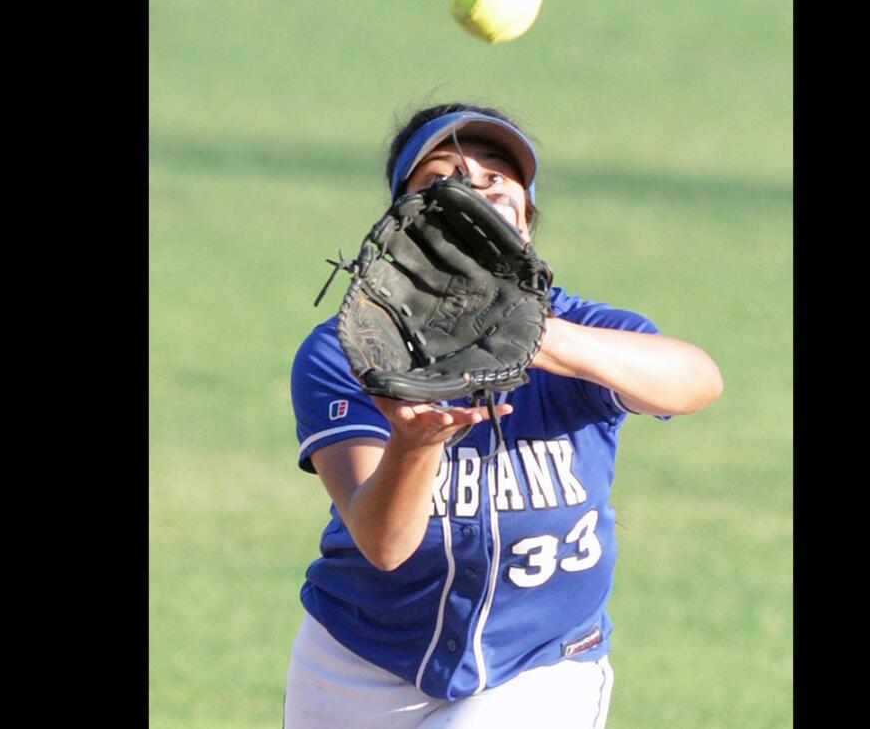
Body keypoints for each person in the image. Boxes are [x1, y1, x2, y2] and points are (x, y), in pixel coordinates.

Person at [284, 103, 723, 728]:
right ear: (402, 213)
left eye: (497, 177)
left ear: (527, 215)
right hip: (358, 661)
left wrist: (542, 339)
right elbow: (383, 545)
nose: (476, 186)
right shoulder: (349, 349)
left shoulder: (586, 332)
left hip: (538, 667)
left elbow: (697, 381)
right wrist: (413, 447)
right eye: (446, 174)